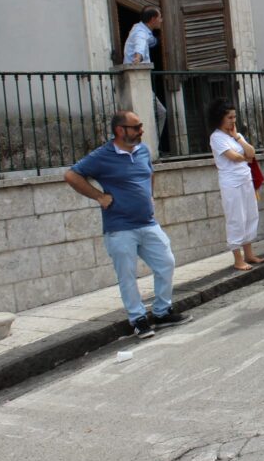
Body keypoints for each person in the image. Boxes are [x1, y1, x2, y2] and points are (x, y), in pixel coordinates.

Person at [64, 111, 191, 338]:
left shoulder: (143, 150)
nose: (142, 130)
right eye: (136, 127)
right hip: (119, 227)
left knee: (166, 263)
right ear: (120, 130)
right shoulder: (102, 155)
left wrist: (149, 196)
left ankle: (162, 312)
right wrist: (99, 196)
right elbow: (72, 176)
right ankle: (138, 319)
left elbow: (149, 173)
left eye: (141, 126)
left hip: (147, 222)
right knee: (127, 275)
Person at [208, 100, 264, 271]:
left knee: (250, 215)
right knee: (236, 218)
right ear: (220, 118)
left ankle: (249, 254)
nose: (233, 121)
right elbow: (233, 156)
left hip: (246, 179)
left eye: (234, 117)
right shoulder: (216, 137)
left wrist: (238, 137)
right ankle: (237, 258)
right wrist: (246, 157)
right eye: (230, 117)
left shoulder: (236, 135)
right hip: (231, 183)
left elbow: (251, 152)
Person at [123, 6, 167, 139]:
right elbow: (140, 44)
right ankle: (153, 144)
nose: (161, 20)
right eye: (160, 17)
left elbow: (150, 41)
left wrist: (157, 40)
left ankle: (148, 143)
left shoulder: (140, 29)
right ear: (153, 19)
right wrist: (138, 57)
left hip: (138, 81)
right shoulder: (140, 33)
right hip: (139, 80)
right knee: (160, 112)